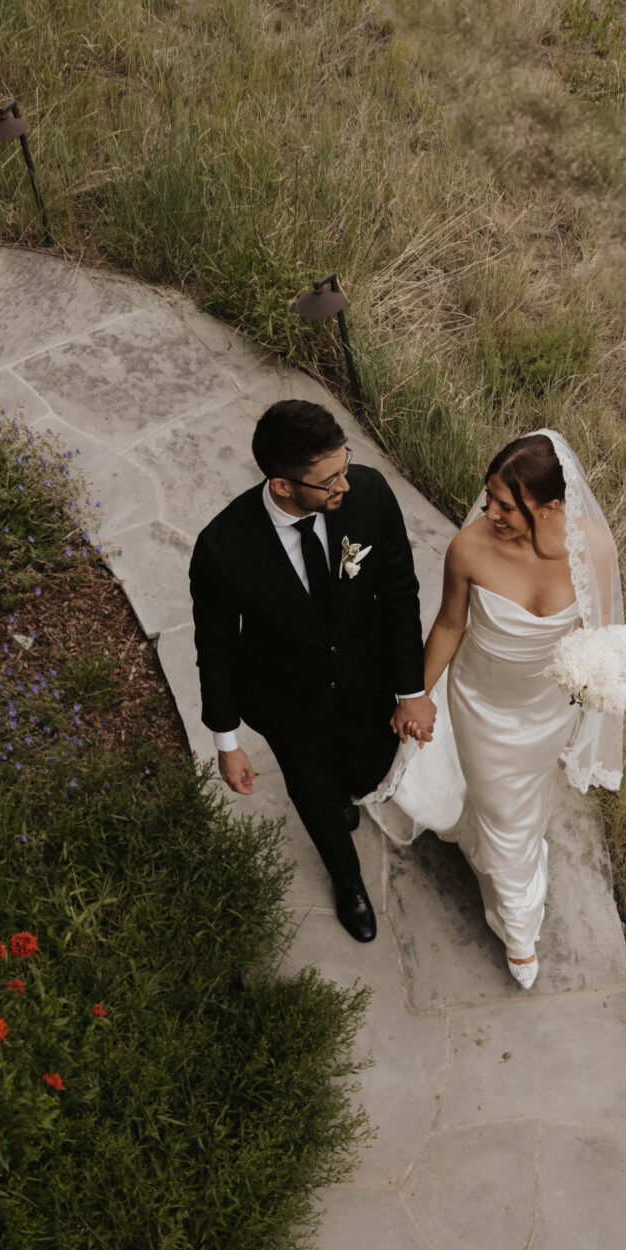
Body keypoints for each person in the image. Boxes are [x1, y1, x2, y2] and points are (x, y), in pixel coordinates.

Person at [365, 428, 624, 988]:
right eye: (488, 498)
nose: (490, 512)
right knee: (508, 818)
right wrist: (416, 696)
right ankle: (519, 928)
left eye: (507, 505)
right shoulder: (471, 549)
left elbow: (599, 635)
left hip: (549, 711)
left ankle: (485, 835)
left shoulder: (595, 550)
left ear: (551, 505)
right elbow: (450, 625)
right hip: (482, 705)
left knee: (524, 803)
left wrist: (599, 683)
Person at [189, 397, 435, 943]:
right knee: (313, 792)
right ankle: (347, 881)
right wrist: (226, 741)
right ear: (282, 485)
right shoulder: (222, 549)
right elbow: (218, 647)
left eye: (344, 465)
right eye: (328, 481)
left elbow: (400, 593)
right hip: (286, 698)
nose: (344, 484)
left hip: (368, 680)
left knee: (365, 766)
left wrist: (410, 689)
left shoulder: (368, 494)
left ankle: (347, 794)